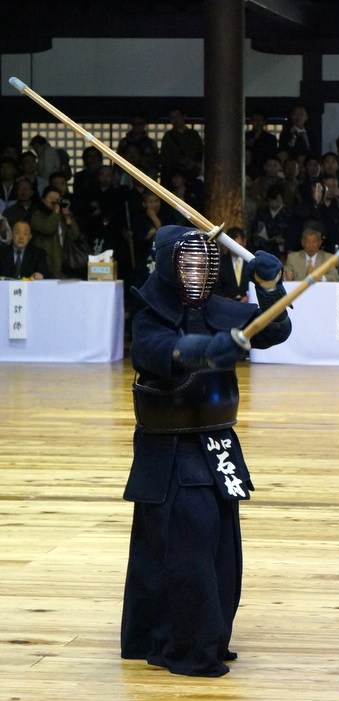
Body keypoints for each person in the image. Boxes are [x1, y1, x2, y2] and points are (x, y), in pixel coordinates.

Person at [120, 226, 292, 678]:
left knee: (221, 542)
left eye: (203, 263)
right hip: (170, 446)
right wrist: (205, 348)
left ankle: (210, 635)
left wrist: (270, 285)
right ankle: (186, 644)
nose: (196, 272)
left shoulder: (221, 310)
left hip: (216, 442)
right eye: (187, 263)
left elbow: (276, 328)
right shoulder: (150, 314)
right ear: (168, 266)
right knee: (187, 537)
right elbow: (159, 350)